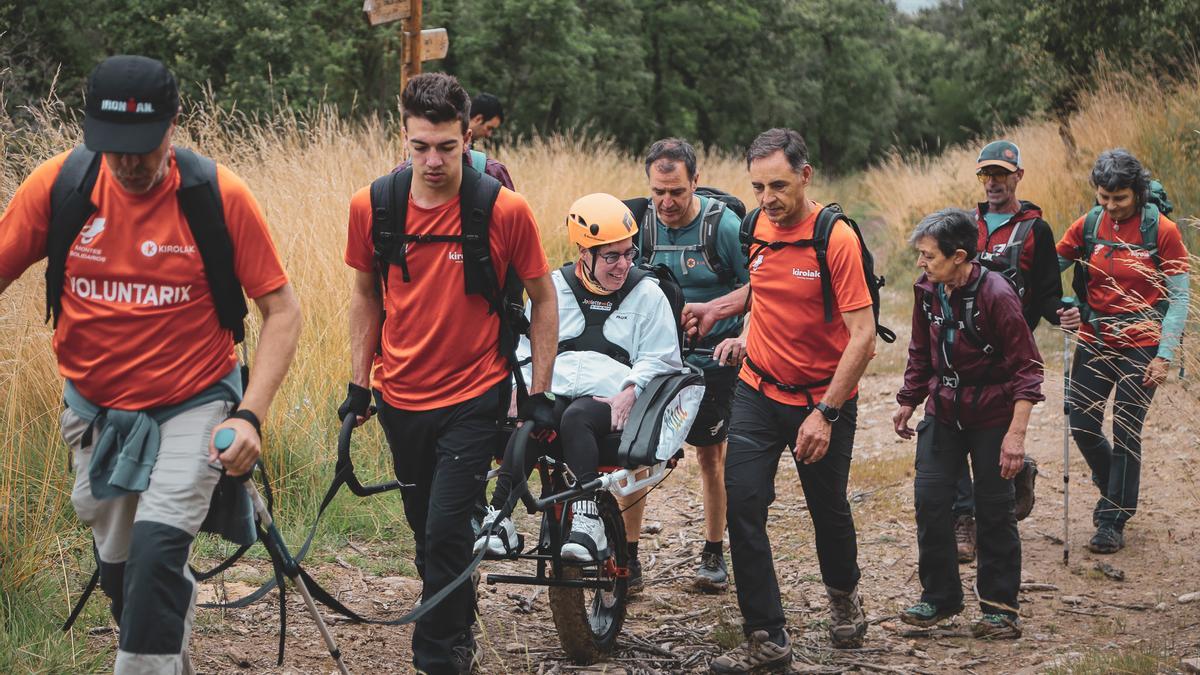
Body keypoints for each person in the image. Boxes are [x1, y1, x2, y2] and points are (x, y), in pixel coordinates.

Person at [0, 55, 301, 673]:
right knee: (122, 575)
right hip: (96, 411)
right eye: (113, 148)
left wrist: (250, 416)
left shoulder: (215, 196)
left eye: (142, 146)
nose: (129, 163)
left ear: (174, 125)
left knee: (157, 555)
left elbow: (282, 310)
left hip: (195, 401)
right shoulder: (61, 187)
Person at [341, 72, 557, 674]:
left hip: (474, 395)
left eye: (446, 147)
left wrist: (538, 395)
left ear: (469, 137)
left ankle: (439, 657)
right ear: (404, 138)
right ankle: (458, 621)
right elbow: (364, 296)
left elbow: (544, 298)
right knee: (425, 532)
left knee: (443, 529)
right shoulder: (374, 205)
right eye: (420, 147)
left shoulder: (503, 210)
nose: (433, 161)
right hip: (400, 397)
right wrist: (360, 385)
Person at [696, 128, 877, 673]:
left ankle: (843, 595)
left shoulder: (834, 238)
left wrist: (826, 414)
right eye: (757, 186)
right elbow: (763, 287)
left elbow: (863, 336)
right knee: (744, 505)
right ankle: (766, 637)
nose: (767, 198)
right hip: (757, 390)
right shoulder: (753, 226)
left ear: (805, 174)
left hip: (821, 400)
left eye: (778, 184)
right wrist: (720, 311)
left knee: (828, 509)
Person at [474, 193, 683, 564]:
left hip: (609, 401)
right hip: (557, 389)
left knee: (577, 416)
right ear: (584, 252)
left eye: (629, 253)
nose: (623, 265)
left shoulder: (648, 294)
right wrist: (515, 390)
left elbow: (663, 357)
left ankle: (588, 520)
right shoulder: (552, 288)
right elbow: (527, 348)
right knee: (532, 421)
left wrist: (632, 390)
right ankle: (500, 519)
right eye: (611, 256)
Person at [893, 208, 1044, 640]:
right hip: (943, 411)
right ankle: (940, 598)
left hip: (993, 415)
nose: (921, 263)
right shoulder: (927, 290)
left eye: (929, 256)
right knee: (930, 500)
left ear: (959, 256)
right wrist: (908, 400)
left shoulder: (996, 294)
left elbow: (1028, 370)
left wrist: (1015, 437)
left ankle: (1000, 608)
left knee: (994, 508)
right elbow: (920, 351)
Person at [625, 138, 748, 592]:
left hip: (715, 361)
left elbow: (760, 285)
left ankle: (713, 553)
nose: (666, 202)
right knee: (635, 457)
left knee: (711, 457)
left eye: (676, 191)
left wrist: (739, 335)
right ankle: (629, 558)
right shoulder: (641, 227)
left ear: (695, 181)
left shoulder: (725, 227)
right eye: (658, 192)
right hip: (660, 361)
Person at [1056, 148, 1190, 554]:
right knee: (1081, 422)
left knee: (1127, 429)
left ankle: (1112, 517)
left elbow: (1181, 298)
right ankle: (1116, 483)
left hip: (1144, 343)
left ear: (1138, 193)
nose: (1112, 207)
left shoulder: (1161, 230)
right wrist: (1059, 305)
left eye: (1120, 198)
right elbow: (1050, 266)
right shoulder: (1090, 224)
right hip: (1096, 339)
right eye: (1104, 197)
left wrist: (1164, 355)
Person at [953, 140, 1061, 563]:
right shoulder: (962, 224)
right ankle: (964, 520)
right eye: (986, 175)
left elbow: (1049, 293)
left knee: (993, 440)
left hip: (1009, 351)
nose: (994, 182)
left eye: (1001, 173)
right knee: (950, 432)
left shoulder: (1036, 229)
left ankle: (1006, 491)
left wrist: (1062, 314)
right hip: (961, 348)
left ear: (1018, 176)